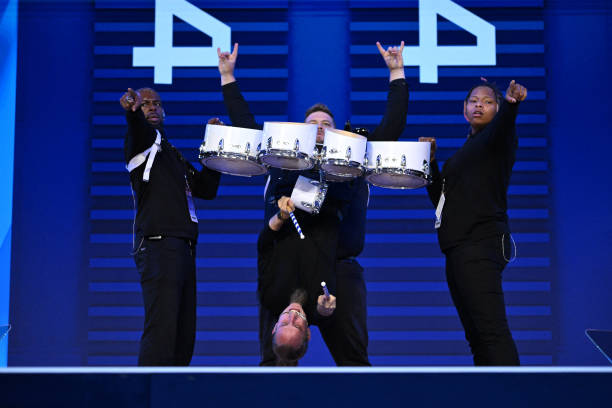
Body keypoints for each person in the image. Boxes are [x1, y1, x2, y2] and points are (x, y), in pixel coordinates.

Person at [217, 41, 409, 365]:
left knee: (354, 362)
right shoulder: (279, 160)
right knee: (275, 357)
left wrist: (397, 72)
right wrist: (227, 76)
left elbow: (392, 127)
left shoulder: (353, 161)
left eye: (327, 124)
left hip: (339, 267)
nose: (320, 126)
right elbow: (247, 126)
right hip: (283, 266)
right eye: (312, 123)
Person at [421, 79, 528, 365]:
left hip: (480, 245)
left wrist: (511, 105)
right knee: (477, 336)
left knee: (491, 333)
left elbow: (505, 126)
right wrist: (431, 162)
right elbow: (441, 201)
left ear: (497, 109)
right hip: (458, 249)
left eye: (488, 101)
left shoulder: (497, 139)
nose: (479, 104)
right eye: (473, 101)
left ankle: (514, 396)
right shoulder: (466, 151)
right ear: (464, 109)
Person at [120, 87, 221, 366]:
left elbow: (207, 188)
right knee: (162, 334)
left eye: (156, 103)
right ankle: (148, 397)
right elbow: (137, 127)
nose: (151, 107)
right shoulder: (140, 142)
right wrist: (131, 111)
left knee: (182, 337)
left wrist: (214, 144)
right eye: (145, 104)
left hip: (183, 249)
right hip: (158, 245)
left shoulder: (171, 154)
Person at [258, 203, 337, 365]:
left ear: (274, 327)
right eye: (298, 326)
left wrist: (280, 216)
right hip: (328, 208)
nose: (293, 315)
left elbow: (264, 247)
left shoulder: (269, 297)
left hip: (288, 207)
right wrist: (324, 311)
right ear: (307, 333)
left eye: (285, 323)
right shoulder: (321, 307)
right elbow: (324, 313)